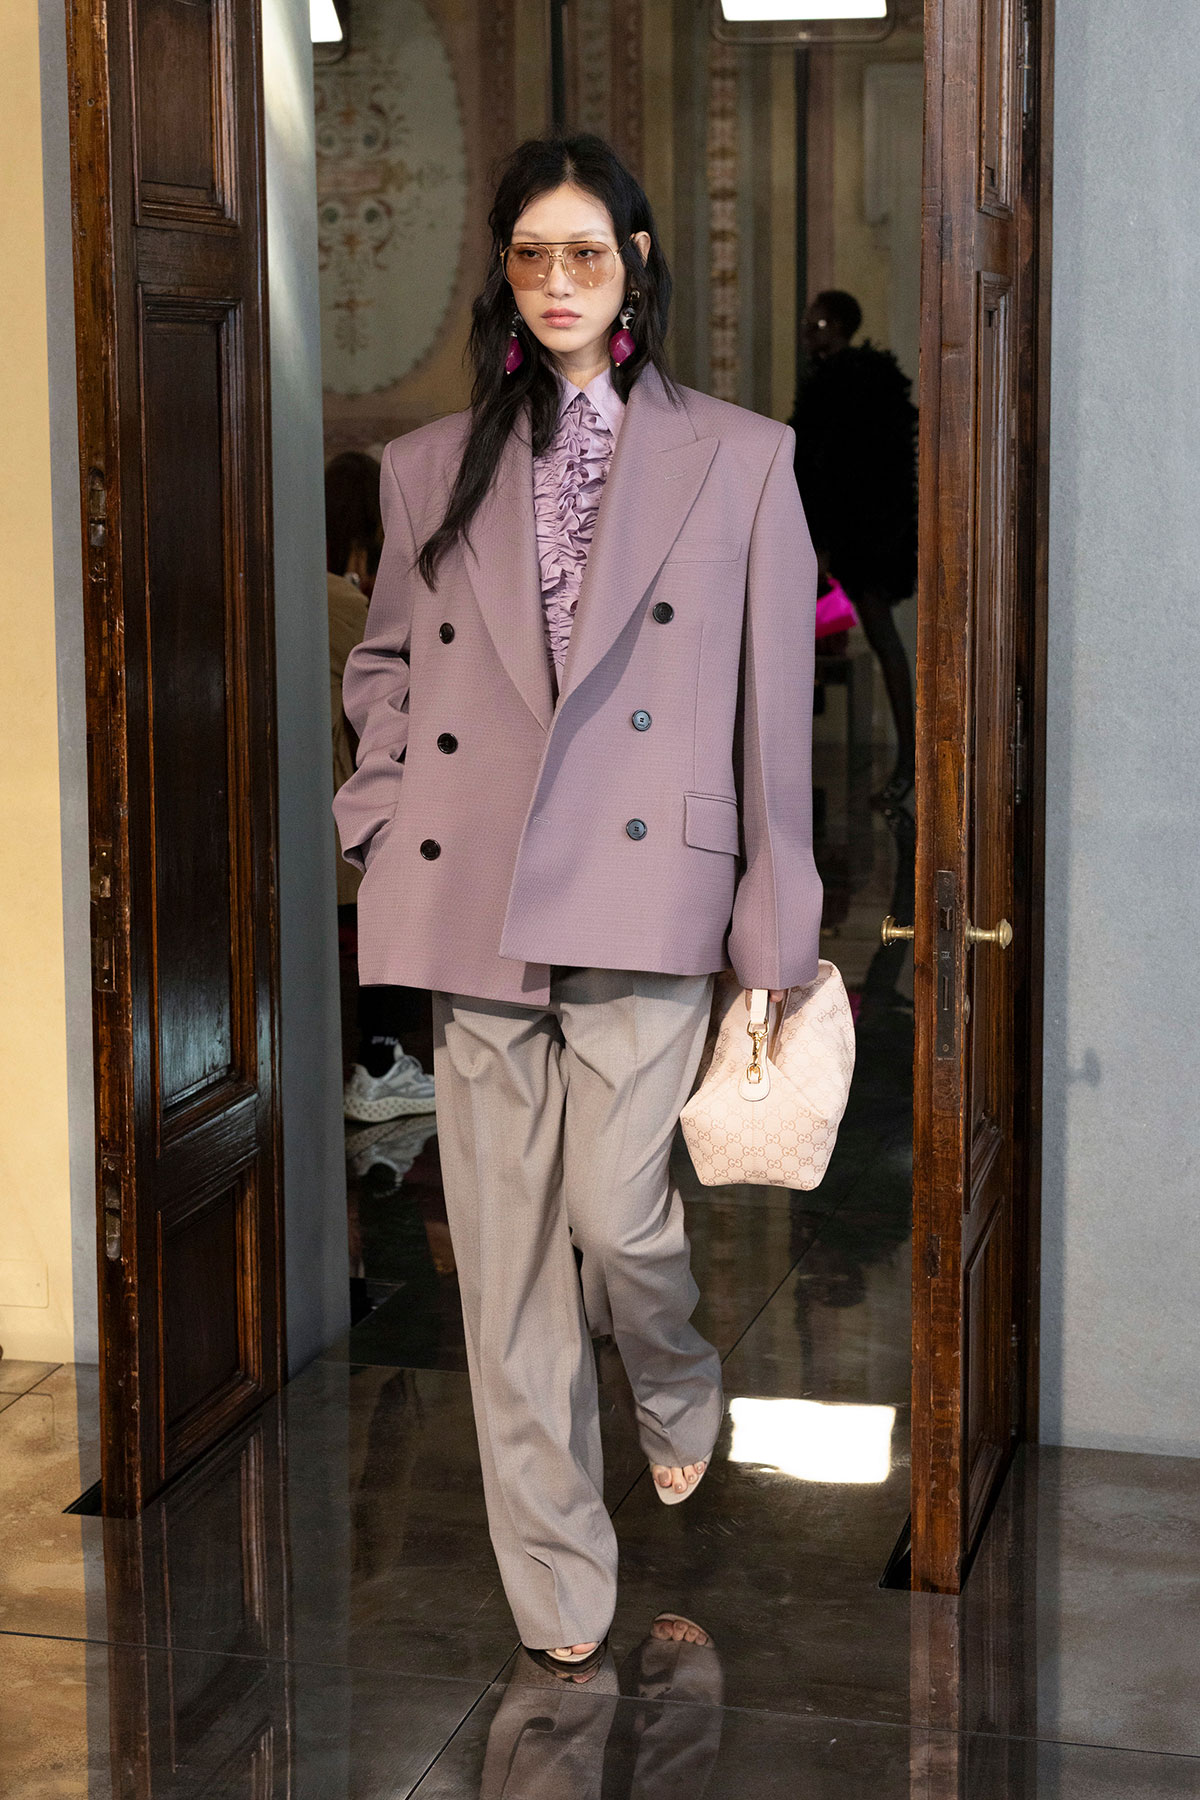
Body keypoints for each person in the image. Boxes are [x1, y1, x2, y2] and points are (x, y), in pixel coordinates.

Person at [333, 134, 822, 1674]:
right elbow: (386, 665)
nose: (559, 281)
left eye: (587, 253)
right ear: (506, 271)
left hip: (647, 893)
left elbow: (775, 713)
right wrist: (378, 819)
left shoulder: (741, 457)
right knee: (506, 1274)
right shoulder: (431, 465)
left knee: (619, 1220)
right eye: (533, 254)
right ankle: (556, 1582)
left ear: (637, 266)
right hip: (470, 892)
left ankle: (674, 1374)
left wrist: (777, 927)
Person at [326, 451, 436, 1120]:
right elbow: (400, 676)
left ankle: (375, 1060)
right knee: (397, 910)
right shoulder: (341, 600)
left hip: (316, 795)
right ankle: (379, 1063)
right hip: (351, 795)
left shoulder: (302, 587)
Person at [790, 289, 919, 805]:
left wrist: (830, 538)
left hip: (861, 538)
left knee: (878, 637)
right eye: (808, 322)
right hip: (846, 537)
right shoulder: (834, 381)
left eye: (819, 324)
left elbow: (847, 468)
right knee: (832, 638)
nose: (808, 331)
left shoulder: (853, 382)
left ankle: (910, 761)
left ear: (840, 326)